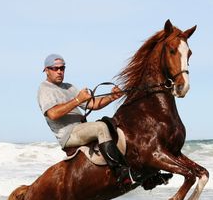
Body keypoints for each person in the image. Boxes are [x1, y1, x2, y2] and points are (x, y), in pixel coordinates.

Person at [37, 54, 139, 186]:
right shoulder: (44, 89)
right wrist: (78, 100)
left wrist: (111, 97)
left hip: (81, 128)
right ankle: (120, 172)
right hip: (69, 134)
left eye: (62, 68)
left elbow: (93, 105)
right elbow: (53, 114)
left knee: (112, 124)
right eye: (55, 68)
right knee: (101, 127)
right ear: (46, 70)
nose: (59, 71)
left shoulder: (69, 87)